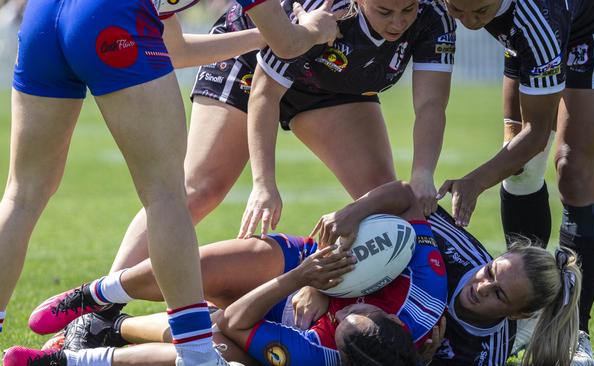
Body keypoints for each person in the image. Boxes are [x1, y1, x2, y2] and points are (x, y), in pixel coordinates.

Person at [0, 0, 340, 364]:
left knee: (22, 196)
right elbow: (289, 43)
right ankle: (197, 355)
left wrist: (262, 37)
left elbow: (173, 49)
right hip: (111, 16)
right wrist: (316, 28)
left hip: (44, 13)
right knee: (166, 196)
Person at [13, 181, 581, 365]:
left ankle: (87, 349)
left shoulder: (483, 352)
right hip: (315, 267)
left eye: (496, 292)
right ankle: (96, 298)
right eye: (491, 269)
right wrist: (341, 235)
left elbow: (238, 324)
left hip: (331, 337)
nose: (481, 281)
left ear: (517, 313)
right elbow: (409, 198)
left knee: (218, 339)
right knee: (208, 266)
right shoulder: (457, 255)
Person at [109, 0, 456, 273]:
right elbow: (265, 91)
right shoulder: (326, 8)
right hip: (251, 68)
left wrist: (423, 172)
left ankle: (428, 305)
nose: (398, 22)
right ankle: (98, 307)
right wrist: (263, 184)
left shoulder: (433, 16)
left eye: (407, 9)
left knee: (384, 201)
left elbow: (430, 105)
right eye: (385, 11)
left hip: (330, 85)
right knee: (199, 189)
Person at [436, 0, 594, 363]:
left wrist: (474, 181)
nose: (469, 23)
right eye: (457, 10)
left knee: (573, 169)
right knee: (521, 168)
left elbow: (535, 134)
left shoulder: (536, 20)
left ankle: (575, 329)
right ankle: (528, 313)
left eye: (481, 12)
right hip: (535, 28)